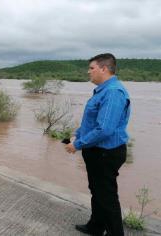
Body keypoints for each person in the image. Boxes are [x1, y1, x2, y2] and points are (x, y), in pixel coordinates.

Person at [65, 53, 130, 236]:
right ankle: (95, 227)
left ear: (104, 69)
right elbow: (92, 122)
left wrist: (77, 145)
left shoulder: (113, 92)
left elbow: (104, 130)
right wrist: (77, 134)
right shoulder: (103, 90)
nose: (89, 72)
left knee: (106, 196)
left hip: (105, 153)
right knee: (98, 191)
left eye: (91, 68)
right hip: (97, 151)